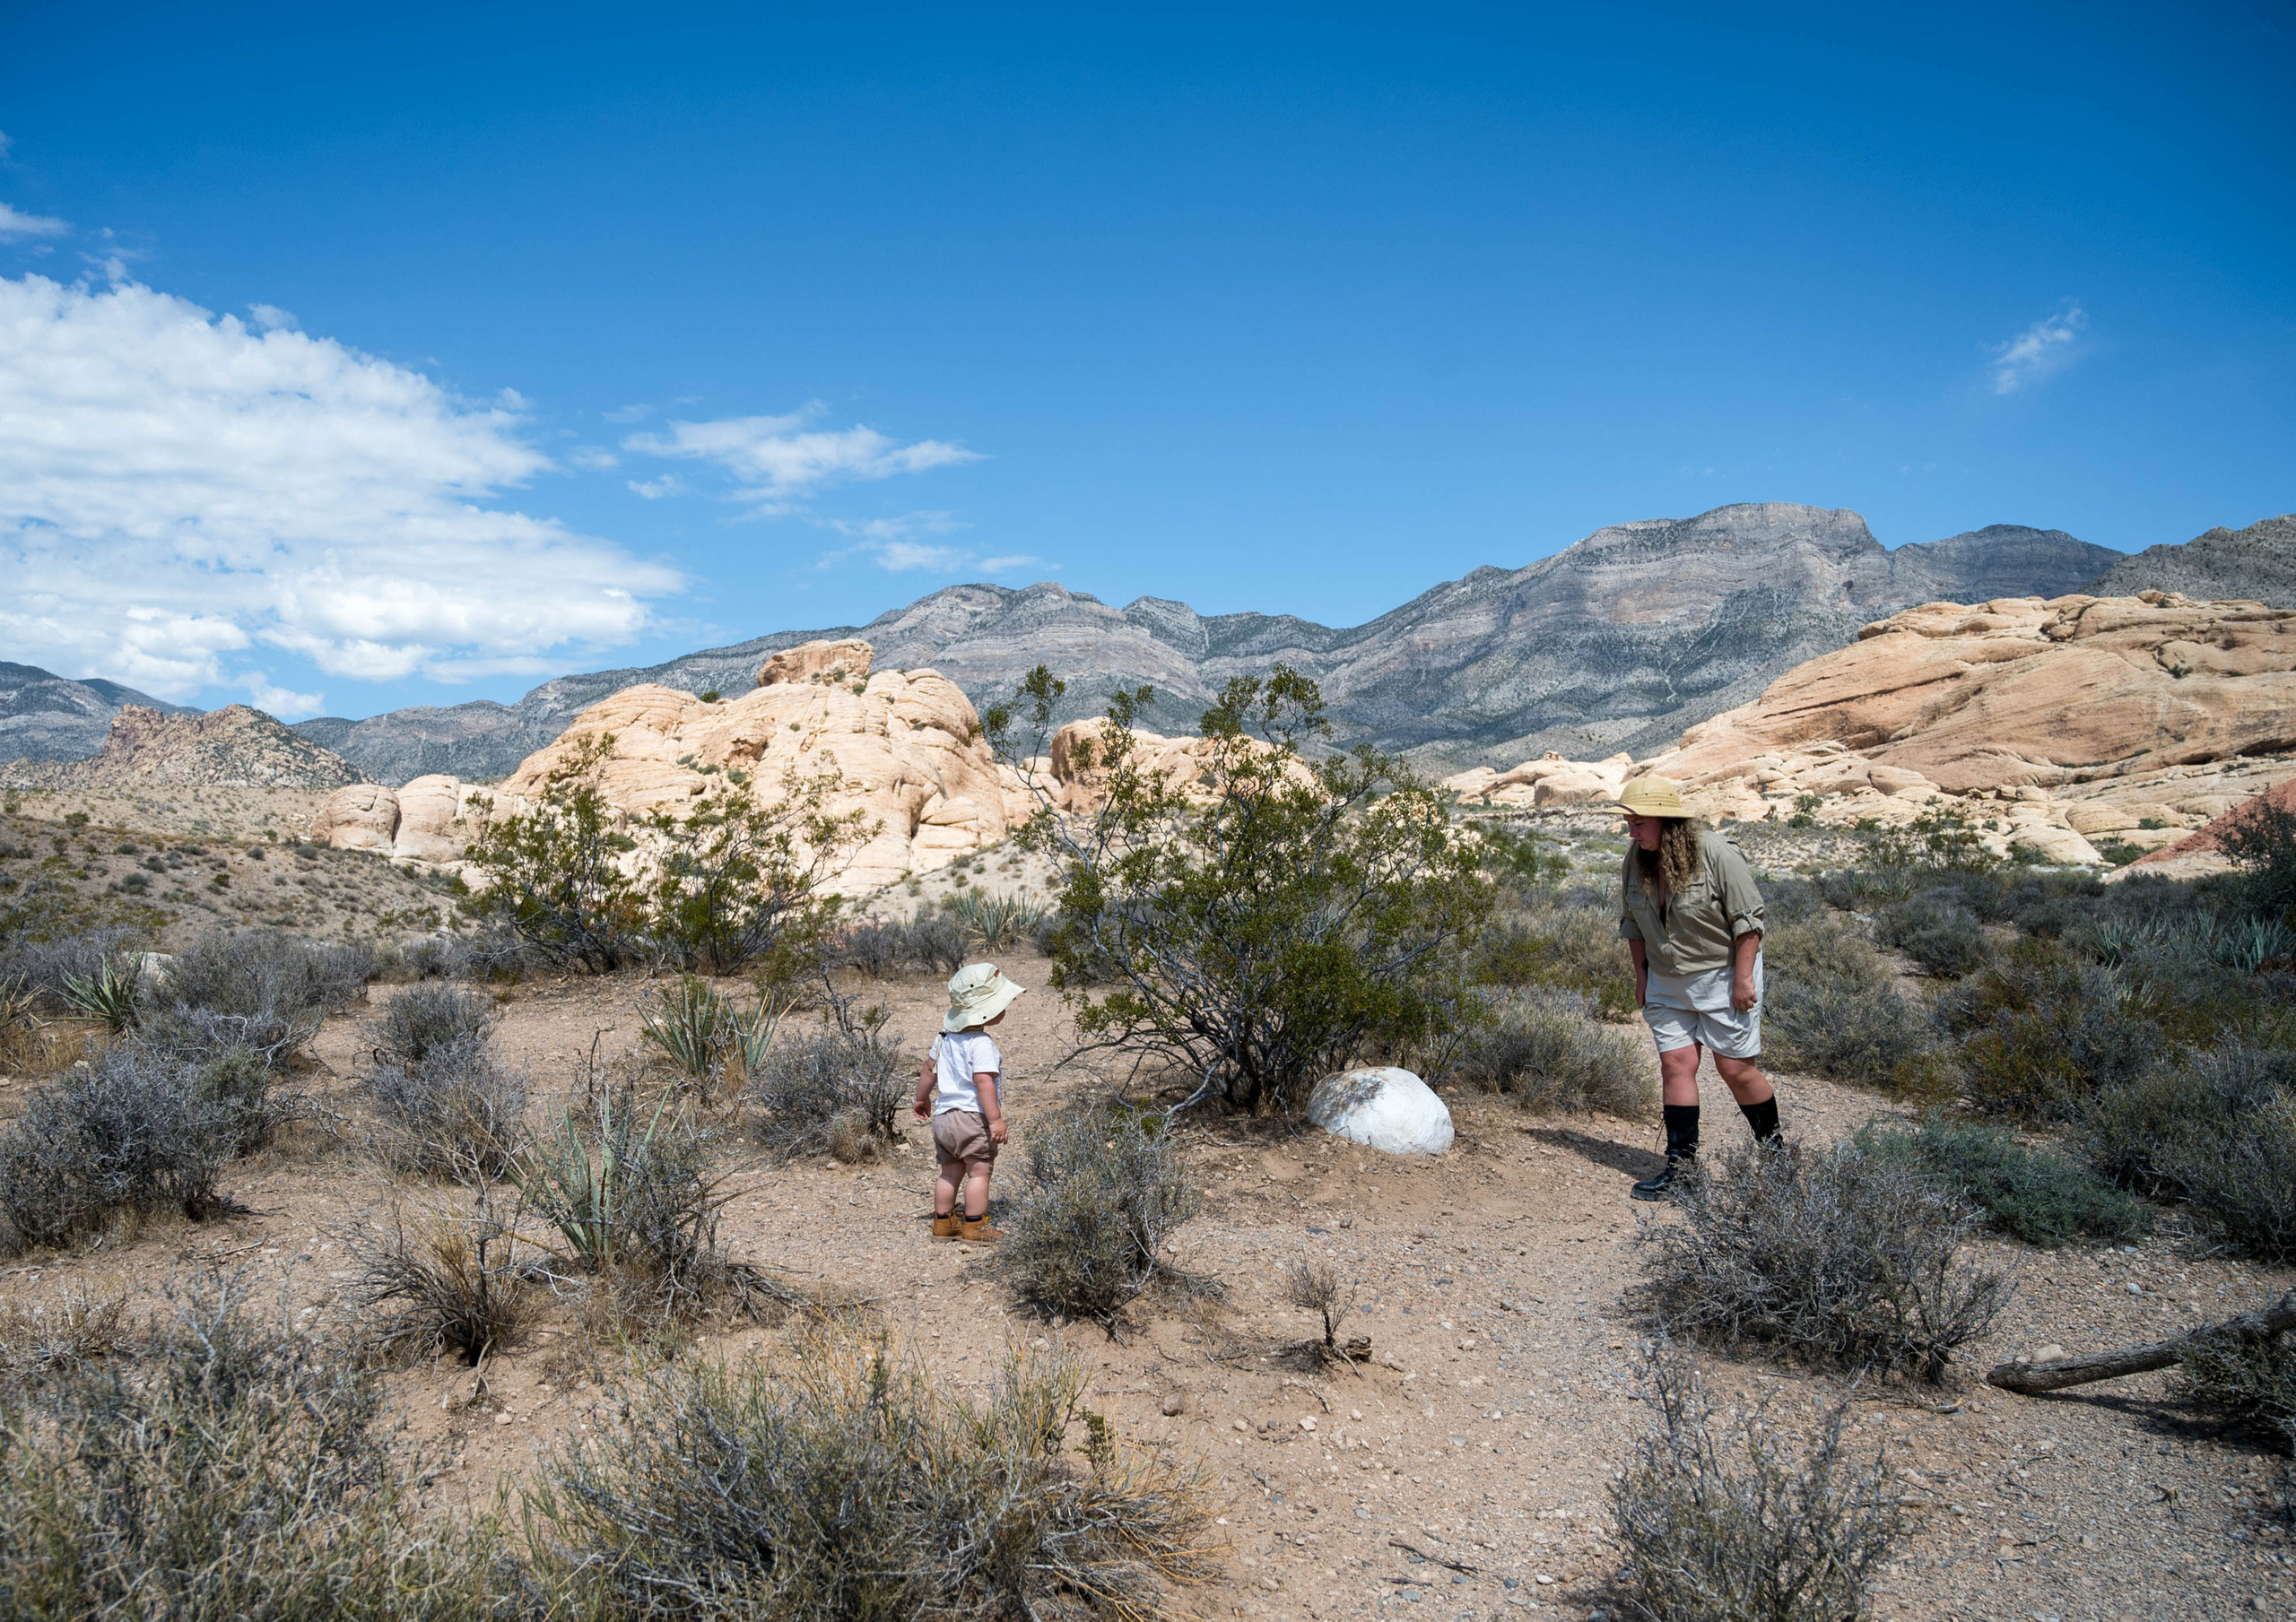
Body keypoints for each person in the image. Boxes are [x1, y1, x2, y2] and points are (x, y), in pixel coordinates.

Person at [1610, 776, 1780, 1200]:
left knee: (1736, 1069)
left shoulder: (1716, 854)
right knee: (1676, 1065)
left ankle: (1778, 1162)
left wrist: (1743, 979)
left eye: (1638, 822)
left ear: (1665, 821)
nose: (1631, 831)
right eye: (1629, 822)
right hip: (1667, 977)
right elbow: (1632, 923)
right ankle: (1682, 1169)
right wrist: (1642, 976)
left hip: (1723, 973)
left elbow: (1748, 922)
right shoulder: (1636, 860)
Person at [913, 961, 1026, 1243]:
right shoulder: (982, 1044)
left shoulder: (943, 1039)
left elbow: (929, 1070)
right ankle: (974, 1226)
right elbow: (983, 1082)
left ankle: (943, 1223)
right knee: (979, 1172)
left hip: (943, 1119)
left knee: (949, 1173)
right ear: (987, 1010)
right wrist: (995, 1120)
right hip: (973, 1118)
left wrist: (921, 1098)